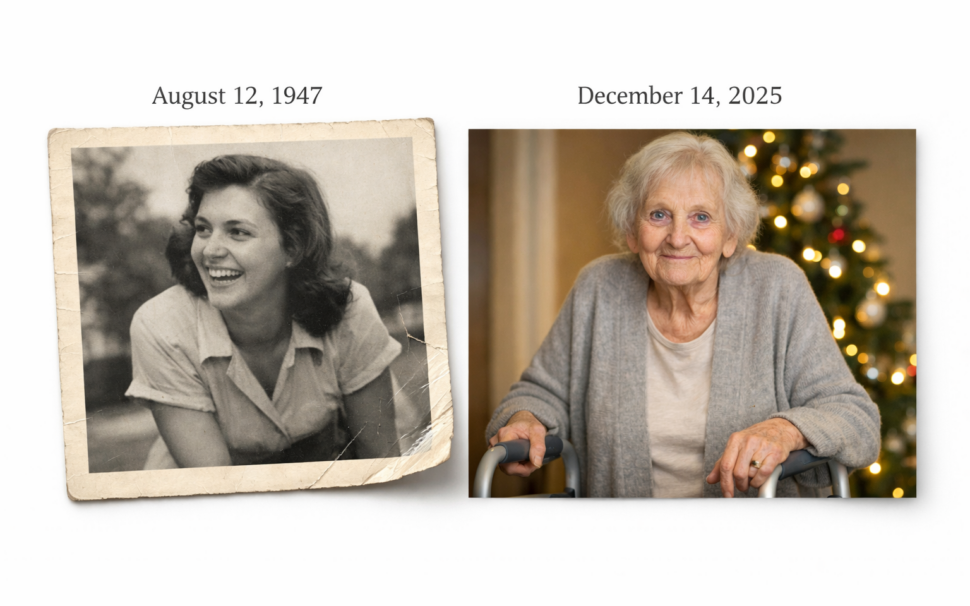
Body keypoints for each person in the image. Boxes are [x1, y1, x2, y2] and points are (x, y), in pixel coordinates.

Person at [486, 132, 880, 497]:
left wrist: (785, 429)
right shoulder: (600, 287)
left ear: (730, 236)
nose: (677, 237)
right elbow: (540, 391)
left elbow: (856, 418)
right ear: (631, 230)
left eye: (701, 217)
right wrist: (525, 417)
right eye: (659, 215)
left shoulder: (776, 288)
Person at [126, 154, 403, 468]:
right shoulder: (161, 326)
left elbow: (382, 461)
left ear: (292, 248)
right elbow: (217, 489)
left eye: (238, 232)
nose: (210, 250)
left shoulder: (350, 309)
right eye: (203, 229)